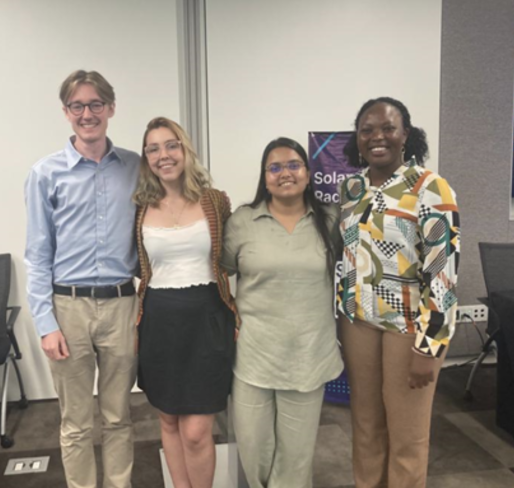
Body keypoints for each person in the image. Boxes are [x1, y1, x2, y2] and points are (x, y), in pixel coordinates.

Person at [24, 70, 140, 488]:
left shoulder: (135, 167)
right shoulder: (45, 173)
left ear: (111, 108)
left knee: (118, 416)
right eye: (78, 106)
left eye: (95, 104)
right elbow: (38, 255)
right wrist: (45, 324)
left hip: (122, 305)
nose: (87, 114)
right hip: (67, 309)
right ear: (66, 112)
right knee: (75, 422)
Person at [338, 97, 460, 488]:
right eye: (367, 130)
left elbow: (443, 273)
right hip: (358, 323)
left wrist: (430, 346)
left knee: (408, 436)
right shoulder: (351, 188)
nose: (377, 137)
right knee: (366, 427)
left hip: (409, 329)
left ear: (405, 134)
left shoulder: (430, 188)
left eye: (388, 128)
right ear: (358, 138)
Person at [222, 137, 343, 488]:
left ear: (308, 172)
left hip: (308, 356)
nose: (284, 173)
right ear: (265, 177)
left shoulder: (331, 220)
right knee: (254, 451)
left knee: (295, 458)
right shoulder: (243, 221)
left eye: (293, 165)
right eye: (274, 167)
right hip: (254, 356)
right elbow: (221, 272)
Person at [134, 117, 237, 488]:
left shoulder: (215, 201)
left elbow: (234, 255)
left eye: (171, 145)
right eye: (153, 149)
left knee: (196, 431)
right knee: (168, 420)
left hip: (207, 322)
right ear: (146, 158)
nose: (163, 155)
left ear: (185, 149)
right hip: (159, 323)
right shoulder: (140, 207)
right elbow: (136, 264)